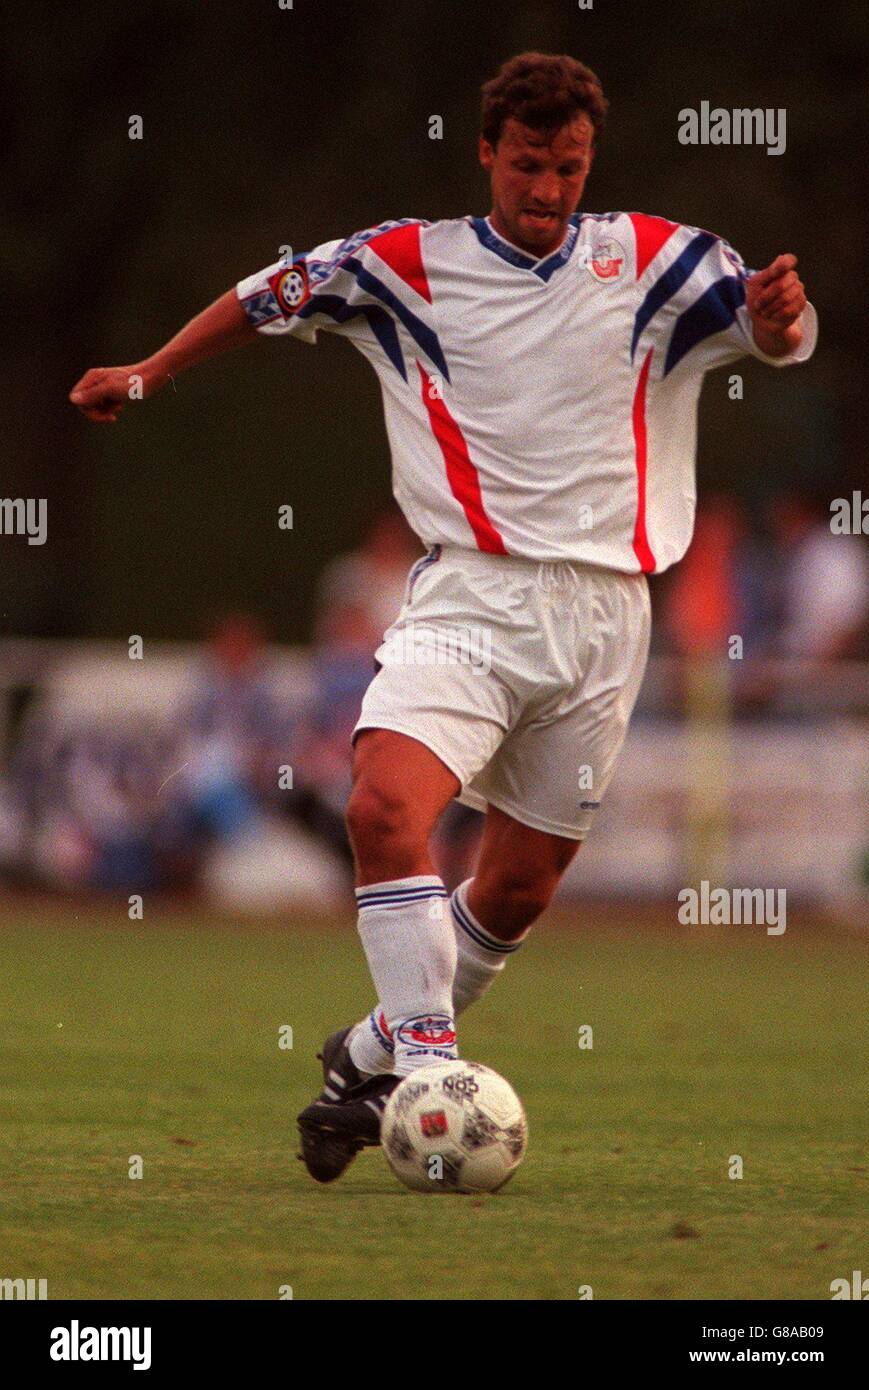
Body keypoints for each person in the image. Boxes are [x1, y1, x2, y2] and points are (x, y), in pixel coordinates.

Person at [69, 51, 817, 1183]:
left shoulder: (659, 261)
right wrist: (151, 368)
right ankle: (430, 1076)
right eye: (527, 164)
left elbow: (770, 332)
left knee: (514, 890)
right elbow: (269, 293)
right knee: (382, 806)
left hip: (607, 616)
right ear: (486, 153)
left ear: (588, 161)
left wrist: (777, 319)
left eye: (567, 167)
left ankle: (364, 1056)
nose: (547, 189)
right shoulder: (404, 263)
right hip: (468, 593)